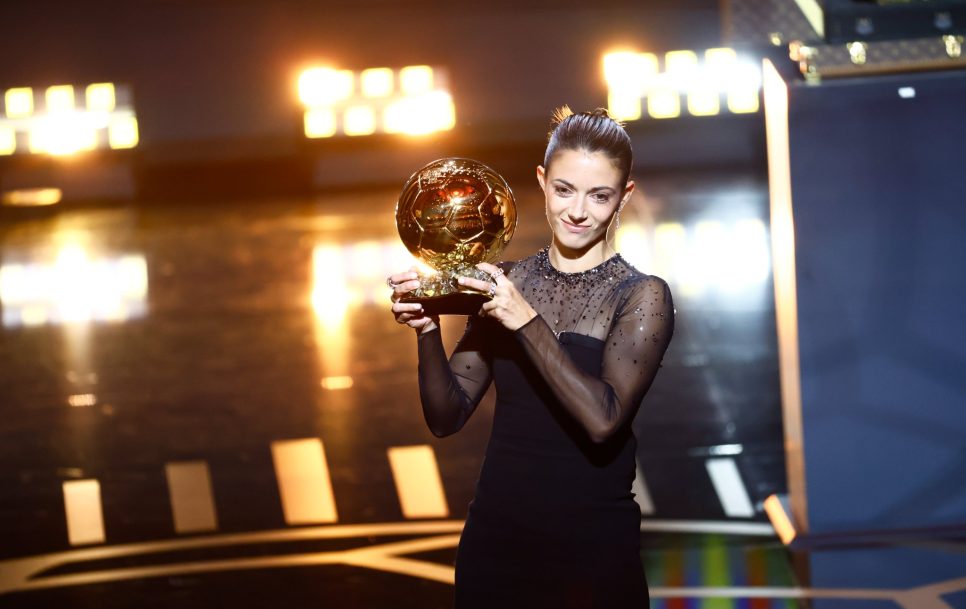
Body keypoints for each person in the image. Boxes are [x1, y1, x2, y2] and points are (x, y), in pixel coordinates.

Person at [388, 107, 674, 608]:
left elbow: (603, 420)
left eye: (599, 195)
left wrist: (523, 319)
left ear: (625, 195)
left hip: (592, 551)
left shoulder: (641, 296)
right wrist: (427, 329)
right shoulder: (508, 281)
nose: (578, 211)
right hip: (496, 542)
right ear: (542, 181)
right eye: (564, 189)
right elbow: (445, 415)